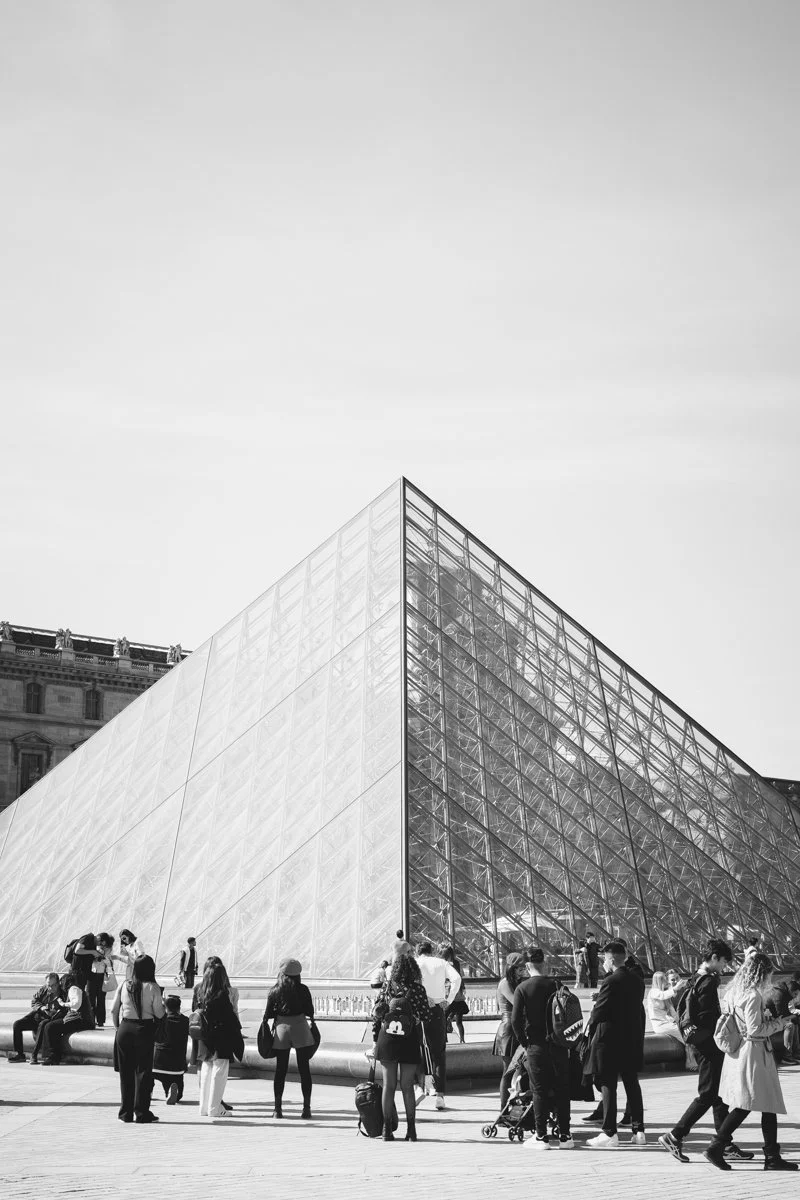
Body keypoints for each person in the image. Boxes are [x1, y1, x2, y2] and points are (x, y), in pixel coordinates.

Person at [658, 938, 755, 1165]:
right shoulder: (709, 981)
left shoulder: (695, 977)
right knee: (708, 1095)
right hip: (709, 1045)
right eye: (723, 962)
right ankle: (675, 1136)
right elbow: (706, 1016)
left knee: (718, 1096)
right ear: (714, 958)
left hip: (699, 1042)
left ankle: (725, 1144)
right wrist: (724, 1023)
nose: (724, 967)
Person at [703, 952, 798, 1171]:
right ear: (761, 974)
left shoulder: (733, 991)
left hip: (739, 1052)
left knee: (765, 1104)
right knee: (750, 1103)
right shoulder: (753, 995)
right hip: (754, 1054)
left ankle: (772, 1154)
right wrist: (780, 1023)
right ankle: (718, 1146)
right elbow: (756, 1029)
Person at [584, 940, 646, 1148]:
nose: (603, 963)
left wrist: (590, 1025)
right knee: (632, 1084)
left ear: (610, 959)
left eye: (604, 959)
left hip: (609, 1040)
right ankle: (639, 1131)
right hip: (631, 1038)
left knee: (608, 1084)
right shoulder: (637, 980)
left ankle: (610, 1132)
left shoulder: (611, 981)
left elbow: (599, 1012)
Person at [510, 946, 572, 1150]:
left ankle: (541, 1136)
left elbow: (516, 1021)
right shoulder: (557, 984)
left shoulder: (523, 988)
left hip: (536, 1045)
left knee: (539, 1091)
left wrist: (525, 1043)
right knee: (562, 1090)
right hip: (559, 1045)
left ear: (527, 966)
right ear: (543, 963)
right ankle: (565, 1136)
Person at [371, 940, 433, 1141]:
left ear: (395, 969)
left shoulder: (388, 987)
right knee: (407, 1087)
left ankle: (387, 1130)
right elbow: (426, 1016)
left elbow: (377, 1013)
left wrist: (374, 1039)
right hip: (409, 1039)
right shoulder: (418, 990)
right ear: (413, 969)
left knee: (388, 1086)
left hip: (387, 1040)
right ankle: (411, 1131)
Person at [264, 958, 316, 1119]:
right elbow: (310, 1011)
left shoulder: (275, 990)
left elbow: (268, 1014)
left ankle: (277, 1110)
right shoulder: (303, 989)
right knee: (304, 1069)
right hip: (300, 1027)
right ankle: (306, 1109)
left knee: (280, 1070)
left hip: (282, 1030)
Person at [415, 939, 462, 1110]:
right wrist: (447, 1000)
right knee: (439, 1054)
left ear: (417, 951)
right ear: (431, 950)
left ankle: (420, 1087)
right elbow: (456, 979)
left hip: (418, 1011)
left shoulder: (415, 963)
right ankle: (440, 1096)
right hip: (437, 1010)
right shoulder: (441, 963)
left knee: (418, 1049)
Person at [195, 957, 243, 1120]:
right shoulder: (221, 994)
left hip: (204, 1037)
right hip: (220, 1037)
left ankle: (204, 1107)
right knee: (219, 1071)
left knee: (207, 1070)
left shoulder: (200, 991)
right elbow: (230, 1017)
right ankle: (215, 1108)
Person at [493, 952, 528, 1109]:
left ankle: (517, 1105)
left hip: (518, 1026)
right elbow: (517, 1003)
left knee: (520, 1069)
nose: (523, 972)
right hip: (509, 1027)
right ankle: (503, 1107)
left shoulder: (517, 982)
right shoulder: (505, 983)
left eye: (523, 968)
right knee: (508, 1071)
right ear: (512, 969)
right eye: (519, 969)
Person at [38, 971, 92, 1065]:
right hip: (79, 1019)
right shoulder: (72, 989)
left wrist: (63, 1004)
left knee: (51, 1027)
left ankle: (53, 1056)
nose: (61, 985)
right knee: (51, 1026)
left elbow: (76, 1004)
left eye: (61, 983)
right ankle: (53, 1055)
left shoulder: (73, 989)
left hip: (82, 1020)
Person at [7, 973, 64, 1062]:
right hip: (37, 1015)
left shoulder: (62, 993)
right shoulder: (44, 989)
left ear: (58, 983)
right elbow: (34, 1001)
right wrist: (41, 1007)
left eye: (53, 985)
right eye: (48, 985)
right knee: (17, 1024)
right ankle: (19, 1054)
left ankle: (34, 1055)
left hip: (48, 1019)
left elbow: (63, 1009)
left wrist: (53, 1012)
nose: (50, 988)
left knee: (42, 1026)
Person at [153, 995, 190, 1104]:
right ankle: (173, 1092)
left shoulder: (161, 1020)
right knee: (178, 1089)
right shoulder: (185, 1021)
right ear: (179, 1007)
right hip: (177, 1066)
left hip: (157, 1063)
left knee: (149, 1076)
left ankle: (148, 1091)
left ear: (165, 1007)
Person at [440, 944, 468, 1043]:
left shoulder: (443, 964)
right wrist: (463, 987)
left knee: (443, 1016)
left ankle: (444, 1038)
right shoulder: (456, 963)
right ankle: (462, 1039)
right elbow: (459, 977)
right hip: (458, 995)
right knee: (459, 1021)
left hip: (448, 994)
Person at [89, 933, 116, 1029]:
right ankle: (91, 1019)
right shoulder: (94, 947)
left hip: (101, 975)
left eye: (100, 940)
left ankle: (100, 1020)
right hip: (92, 974)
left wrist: (99, 956)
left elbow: (105, 960)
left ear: (105, 941)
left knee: (100, 999)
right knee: (91, 998)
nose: (98, 942)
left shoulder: (108, 949)